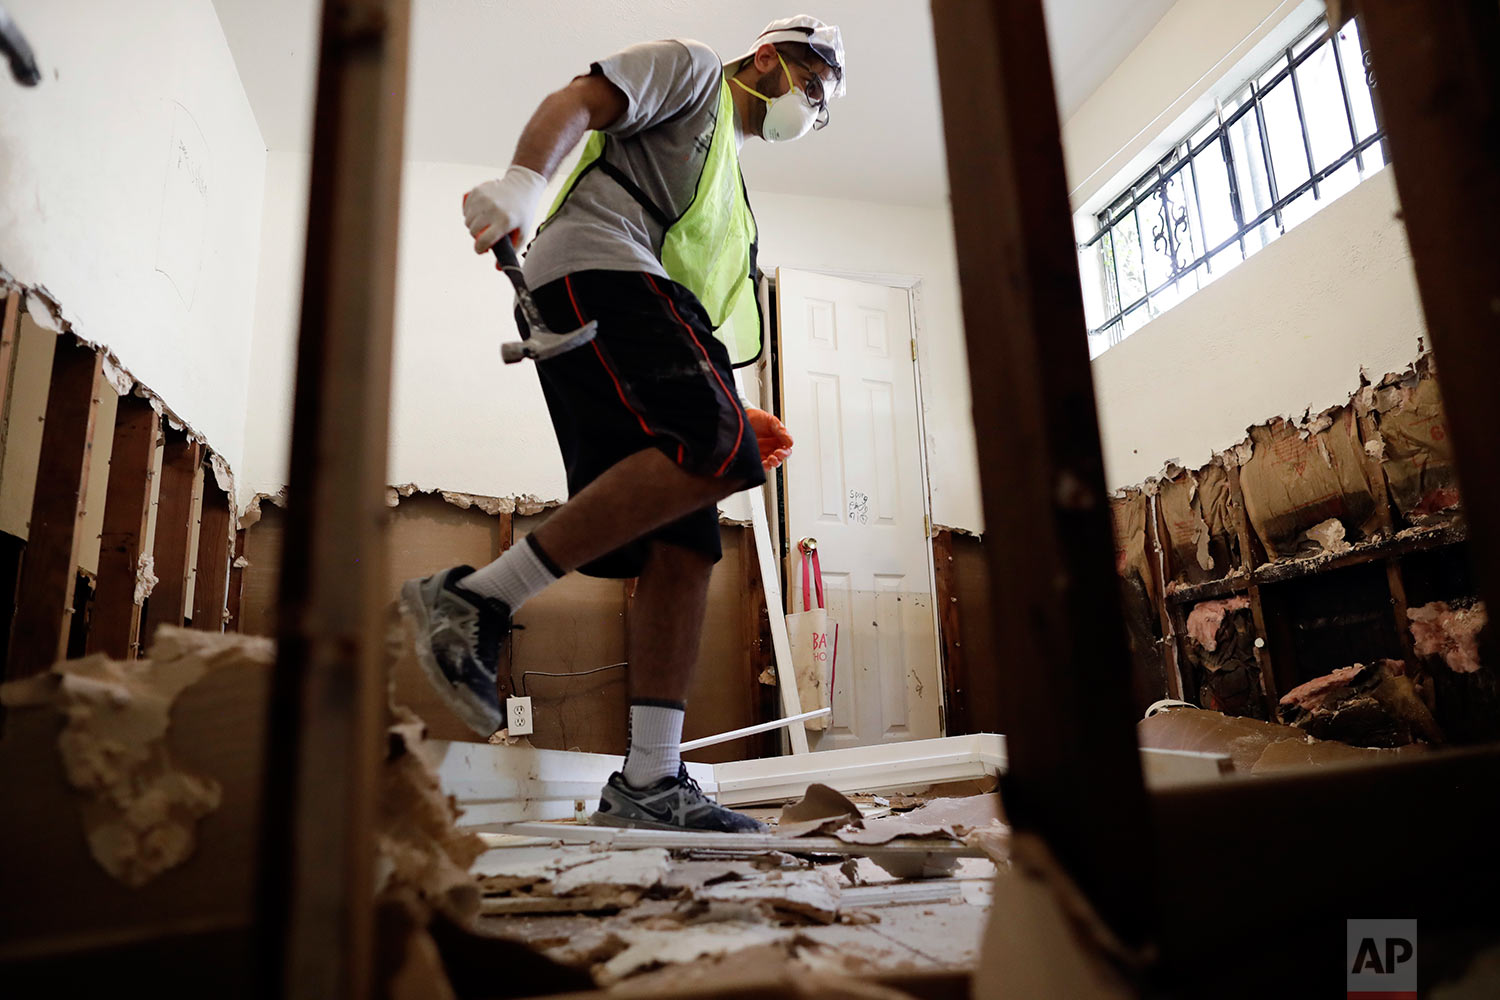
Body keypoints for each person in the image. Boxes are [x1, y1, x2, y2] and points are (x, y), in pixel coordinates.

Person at [402, 16, 846, 832]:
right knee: (714, 451)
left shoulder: (731, 195)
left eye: (822, 104)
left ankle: (650, 780)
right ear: (771, 56)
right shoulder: (697, 70)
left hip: (642, 308)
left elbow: (675, 331)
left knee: (687, 542)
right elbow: (580, 100)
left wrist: (720, 406)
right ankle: (472, 601)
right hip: (596, 268)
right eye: (811, 85)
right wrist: (525, 182)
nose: (810, 109)